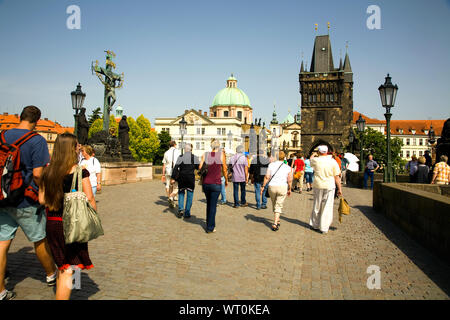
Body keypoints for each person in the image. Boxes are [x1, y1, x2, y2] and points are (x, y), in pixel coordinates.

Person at [0, 106, 57, 301]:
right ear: (37, 121)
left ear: (20, 117)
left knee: (2, 243)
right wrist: (43, 191)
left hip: (2, 197)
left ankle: (1, 291)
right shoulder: (36, 140)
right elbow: (38, 174)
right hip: (25, 199)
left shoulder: (2, 135)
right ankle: (51, 274)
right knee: (39, 239)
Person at [39, 132, 96, 300]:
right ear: (72, 149)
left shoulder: (47, 171)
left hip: (52, 222)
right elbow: (90, 198)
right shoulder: (80, 172)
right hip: (72, 223)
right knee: (67, 269)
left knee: (64, 263)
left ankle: (74, 286)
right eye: (77, 145)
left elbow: (42, 199)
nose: (79, 148)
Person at [309, 145, 343, 234]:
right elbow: (336, 177)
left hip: (318, 185)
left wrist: (314, 154)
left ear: (319, 152)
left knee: (317, 205)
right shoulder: (333, 162)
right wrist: (340, 188)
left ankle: (315, 225)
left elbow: (310, 159)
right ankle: (324, 227)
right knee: (327, 206)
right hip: (329, 185)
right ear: (327, 152)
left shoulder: (315, 160)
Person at [199, 139, 228, 233]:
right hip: (216, 183)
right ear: (218, 147)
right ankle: (210, 227)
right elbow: (224, 168)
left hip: (206, 183)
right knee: (213, 205)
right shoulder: (221, 155)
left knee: (209, 204)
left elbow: (200, 168)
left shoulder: (206, 155)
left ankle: (208, 223)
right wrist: (226, 180)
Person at [260, 151, 292, 231]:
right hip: (282, 187)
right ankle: (275, 222)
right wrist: (290, 188)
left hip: (272, 187)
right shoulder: (287, 167)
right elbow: (290, 179)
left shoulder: (271, 165)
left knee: (274, 204)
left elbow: (267, 177)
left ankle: (277, 220)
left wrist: (263, 186)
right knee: (279, 204)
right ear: (284, 157)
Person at [170, 143, 199, 219]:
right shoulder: (194, 157)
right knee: (190, 195)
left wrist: (173, 178)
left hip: (182, 178)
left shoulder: (181, 157)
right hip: (190, 178)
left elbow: (176, 168)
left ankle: (180, 210)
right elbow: (198, 167)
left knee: (181, 194)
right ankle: (187, 212)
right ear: (191, 149)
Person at [162, 141, 181, 208]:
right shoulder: (178, 152)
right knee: (177, 187)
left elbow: (164, 164)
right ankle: (171, 197)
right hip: (176, 171)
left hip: (168, 171)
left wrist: (163, 174)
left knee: (168, 185)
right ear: (174, 145)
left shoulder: (166, 152)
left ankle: (169, 198)